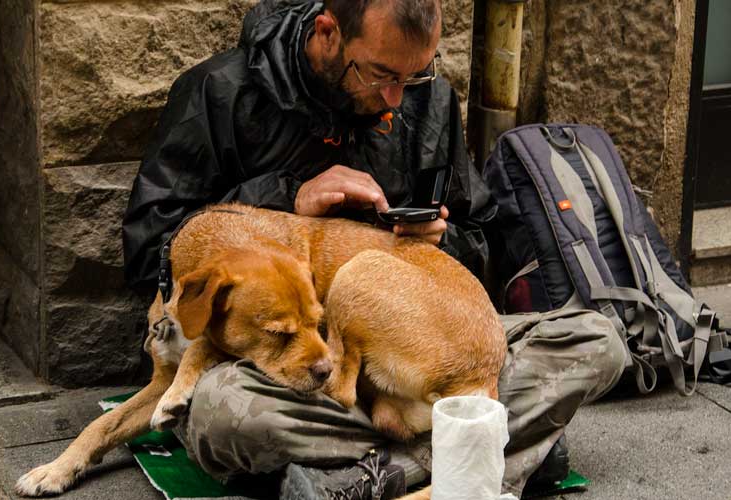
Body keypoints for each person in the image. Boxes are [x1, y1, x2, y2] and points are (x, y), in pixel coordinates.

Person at [122, 0, 627, 498]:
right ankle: (480, 446)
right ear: (327, 32)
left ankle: (380, 472)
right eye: (380, 74)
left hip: (412, 351)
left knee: (599, 340)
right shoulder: (220, 92)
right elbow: (151, 250)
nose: (395, 99)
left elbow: (487, 238)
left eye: (414, 76)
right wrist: (287, 197)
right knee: (221, 415)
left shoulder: (428, 99)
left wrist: (442, 238)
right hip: (305, 369)